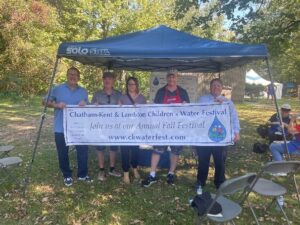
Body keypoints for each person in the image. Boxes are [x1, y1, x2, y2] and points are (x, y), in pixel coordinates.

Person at [43, 67, 91, 186]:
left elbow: (88, 106)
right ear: (67, 76)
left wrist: (85, 104)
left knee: (83, 151)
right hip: (61, 127)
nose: (73, 76)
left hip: (79, 128)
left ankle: (82, 174)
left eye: (75, 75)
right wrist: (56, 104)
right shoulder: (57, 89)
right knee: (63, 152)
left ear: (79, 77)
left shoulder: (83, 91)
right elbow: (44, 101)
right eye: (70, 74)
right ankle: (67, 175)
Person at [141, 71, 190, 187]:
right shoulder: (161, 92)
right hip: (162, 127)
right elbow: (155, 109)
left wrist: (185, 106)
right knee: (157, 150)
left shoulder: (182, 92)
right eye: (170, 77)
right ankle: (152, 175)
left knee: (175, 151)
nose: (172, 79)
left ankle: (171, 174)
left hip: (177, 127)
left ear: (177, 78)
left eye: (174, 77)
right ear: (167, 78)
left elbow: (188, 109)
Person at [196, 78, 240, 193]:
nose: (216, 88)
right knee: (203, 160)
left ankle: (219, 182)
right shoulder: (202, 99)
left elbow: (234, 118)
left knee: (220, 160)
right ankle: (200, 181)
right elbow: (197, 112)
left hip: (221, 137)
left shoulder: (228, 102)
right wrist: (213, 104)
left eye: (218, 86)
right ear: (210, 88)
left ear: (221, 88)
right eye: (213, 86)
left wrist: (236, 132)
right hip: (204, 136)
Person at [91, 71, 122, 181]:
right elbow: (90, 111)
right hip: (100, 126)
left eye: (110, 78)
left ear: (114, 80)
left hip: (115, 126)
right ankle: (101, 169)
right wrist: (93, 107)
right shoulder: (97, 94)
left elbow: (124, 111)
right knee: (100, 147)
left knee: (113, 147)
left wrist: (121, 106)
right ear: (103, 80)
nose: (108, 80)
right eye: (106, 78)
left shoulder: (119, 94)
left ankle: (112, 168)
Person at [119, 77, 147, 184]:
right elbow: (117, 113)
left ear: (137, 85)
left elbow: (145, 114)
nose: (131, 86)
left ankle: (135, 169)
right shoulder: (122, 98)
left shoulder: (142, 98)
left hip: (137, 130)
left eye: (133, 84)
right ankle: (126, 173)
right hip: (124, 129)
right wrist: (119, 107)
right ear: (127, 86)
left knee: (135, 150)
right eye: (129, 84)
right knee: (125, 151)